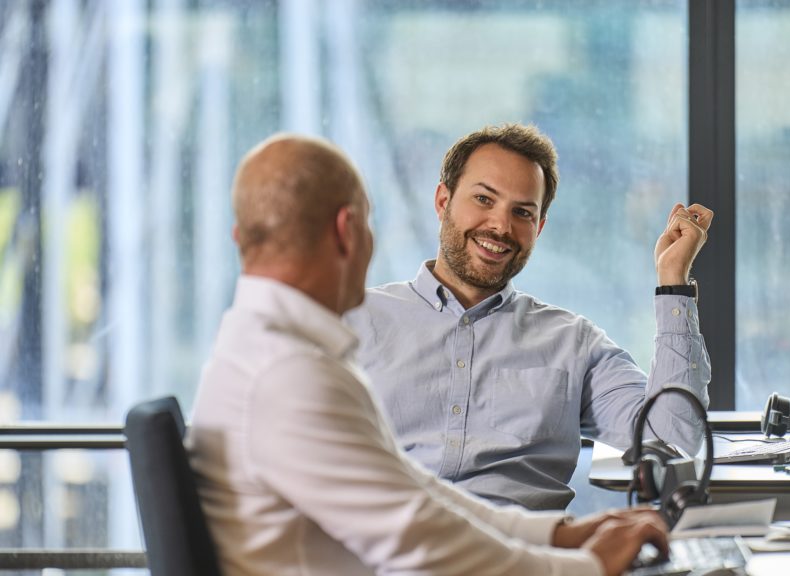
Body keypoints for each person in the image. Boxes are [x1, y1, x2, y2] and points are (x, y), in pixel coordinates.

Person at [186, 134, 668, 576]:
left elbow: (413, 492)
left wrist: (558, 535)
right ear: (347, 231)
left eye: (522, 211)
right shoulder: (291, 373)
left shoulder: (260, 349)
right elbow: (413, 534)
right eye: (370, 222)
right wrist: (587, 567)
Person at [345, 123, 714, 510]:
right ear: (443, 201)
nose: (501, 226)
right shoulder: (355, 321)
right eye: (484, 199)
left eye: (522, 212)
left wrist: (673, 282)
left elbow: (674, 436)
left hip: (525, 546)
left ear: (538, 227)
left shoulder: (572, 344)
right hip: (384, 543)